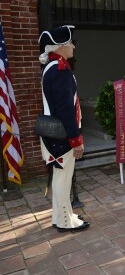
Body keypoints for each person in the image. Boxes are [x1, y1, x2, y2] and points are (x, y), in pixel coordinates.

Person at [38, 25, 90, 232]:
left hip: (55, 133)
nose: (73, 47)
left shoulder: (53, 67)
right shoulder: (59, 70)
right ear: (59, 47)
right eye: (70, 43)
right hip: (61, 134)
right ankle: (64, 222)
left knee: (60, 176)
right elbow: (65, 109)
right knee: (63, 178)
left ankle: (61, 216)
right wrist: (75, 138)